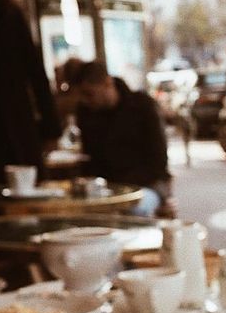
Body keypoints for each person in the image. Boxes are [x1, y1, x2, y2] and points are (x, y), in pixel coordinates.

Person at [73, 60, 174, 217]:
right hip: (107, 188)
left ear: (107, 83)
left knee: (134, 209)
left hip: (149, 185)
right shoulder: (87, 113)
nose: (86, 100)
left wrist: (117, 186)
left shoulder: (143, 106)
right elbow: (91, 159)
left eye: (89, 94)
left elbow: (158, 163)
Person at [0, 0, 62, 183]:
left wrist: (51, 128)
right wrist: (51, 128)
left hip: (11, 126)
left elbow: (37, 75)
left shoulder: (9, 17)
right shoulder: (9, 16)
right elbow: (37, 75)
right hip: (14, 125)